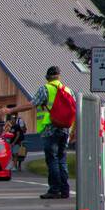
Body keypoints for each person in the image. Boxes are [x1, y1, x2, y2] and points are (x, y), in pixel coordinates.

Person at [31, 65, 74, 199]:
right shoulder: (68, 90)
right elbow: (75, 110)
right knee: (62, 159)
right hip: (65, 129)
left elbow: (32, 104)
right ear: (59, 76)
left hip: (50, 129)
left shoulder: (45, 89)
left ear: (47, 77)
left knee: (52, 160)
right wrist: (74, 131)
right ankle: (65, 190)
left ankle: (54, 190)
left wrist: (10, 111)